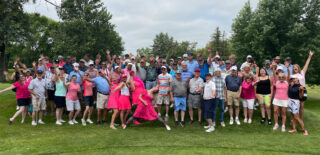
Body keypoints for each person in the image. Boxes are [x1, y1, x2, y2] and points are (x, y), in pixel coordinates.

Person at [291, 51, 314, 119]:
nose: (295, 68)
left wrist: (310, 56)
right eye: (294, 67)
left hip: (303, 90)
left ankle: (301, 119)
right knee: (294, 106)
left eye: (296, 67)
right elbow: (291, 84)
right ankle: (293, 119)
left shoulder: (302, 72)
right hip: (295, 90)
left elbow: (306, 64)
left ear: (298, 68)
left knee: (301, 106)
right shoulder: (292, 76)